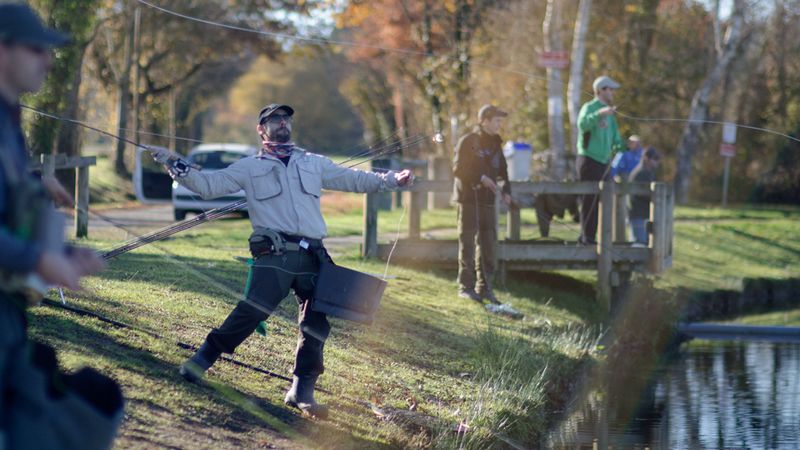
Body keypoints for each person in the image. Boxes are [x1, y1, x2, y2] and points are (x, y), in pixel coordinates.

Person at [151, 104, 414, 419]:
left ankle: (301, 391)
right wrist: (172, 162)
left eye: (286, 119)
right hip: (275, 252)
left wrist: (392, 180)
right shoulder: (248, 166)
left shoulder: (313, 163)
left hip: (313, 255)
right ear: (261, 130)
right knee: (252, 309)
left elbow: (354, 179)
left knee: (316, 323)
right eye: (274, 120)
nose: (282, 123)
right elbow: (209, 186)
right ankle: (201, 360)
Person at [0, 4, 123, 448]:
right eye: (36, 48)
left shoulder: (10, 126)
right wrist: (40, 259)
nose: (48, 60)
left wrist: (67, 257)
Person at [452, 104, 512, 304]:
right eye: (496, 121)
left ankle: (485, 288)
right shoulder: (468, 141)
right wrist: (480, 178)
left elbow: (503, 171)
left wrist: (507, 192)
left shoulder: (496, 144)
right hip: (468, 200)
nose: (499, 125)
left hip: (488, 203)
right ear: (484, 120)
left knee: (488, 245)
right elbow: (458, 169)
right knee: (467, 244)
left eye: (500, 121)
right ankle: (466, 287)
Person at [576, 76, 625, 245]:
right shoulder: (589, 107)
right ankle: (586, 238)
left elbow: (615, 138)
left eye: (612, 90)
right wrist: (598, 114)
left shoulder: (611, 114)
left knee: (607, 200)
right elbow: (582, 125)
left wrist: (621, 146)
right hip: (589, 160)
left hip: (605, 162)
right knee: (589, 201)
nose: (612, 92)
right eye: (609, 89)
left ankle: (602, 239)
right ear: (600, 90)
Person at [628, 147, 661, 246]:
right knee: (639, 245)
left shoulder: (649, 173)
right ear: (646, 158)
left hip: (645, 215)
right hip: (638, 215)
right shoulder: (640, 173)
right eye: (655, 158)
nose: (657, 162)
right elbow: (645, 194)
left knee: (646, 245)